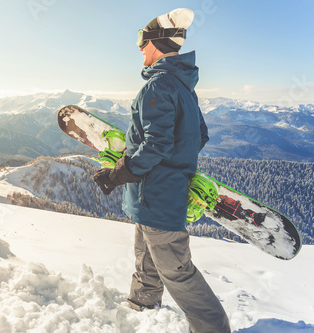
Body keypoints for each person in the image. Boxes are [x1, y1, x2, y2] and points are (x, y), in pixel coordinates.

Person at [93, 8, 231, 333]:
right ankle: (142, 315)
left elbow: (156, 145)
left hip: (157, 201)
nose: (139, 47)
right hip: (151, 200)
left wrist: (119, 173)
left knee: (178, 273)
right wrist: (174, 167)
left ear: (156, 42)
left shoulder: (157, 87)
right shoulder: (184, 87)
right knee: (146, 264)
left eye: (142, 40)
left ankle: (215, 328)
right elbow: (199, 135)